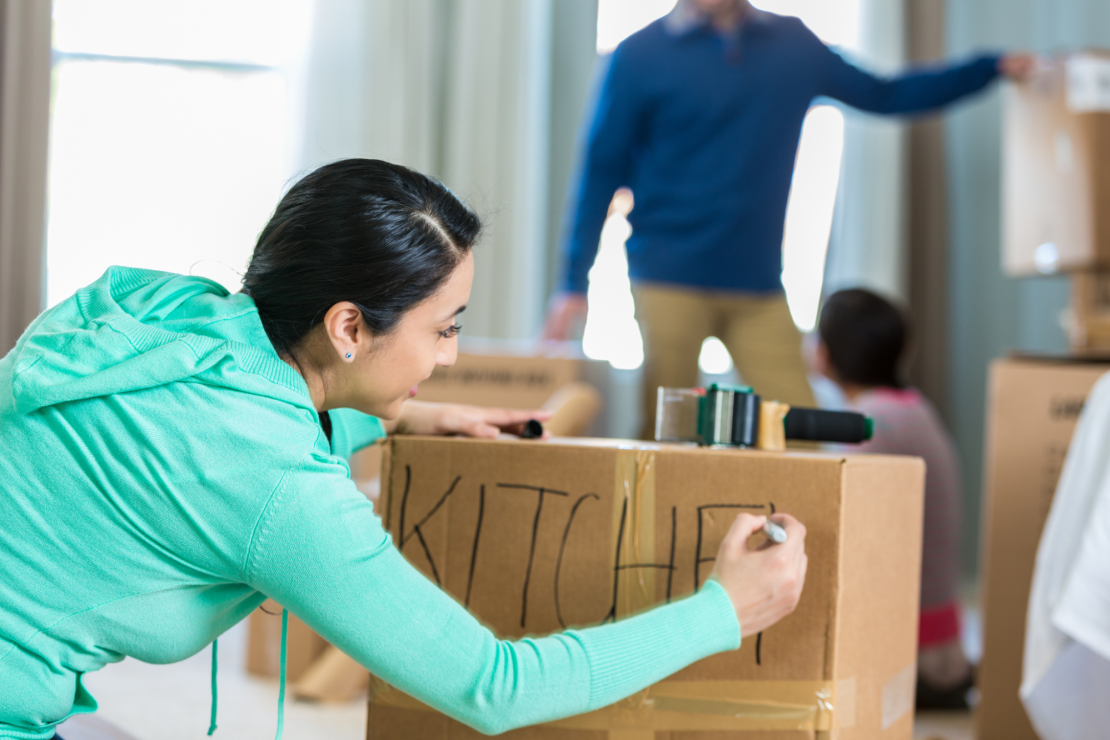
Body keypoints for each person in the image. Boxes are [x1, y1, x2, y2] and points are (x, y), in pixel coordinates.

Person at [0, 159, 808, 738]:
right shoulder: (284, 493)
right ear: (349, 327)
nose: (451, 355)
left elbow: (203, 431)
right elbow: (495, 687)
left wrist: (399, 416)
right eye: (444, 329)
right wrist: (723, 611)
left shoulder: (159, 306)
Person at [543, 0, 1035, 439]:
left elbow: (886, 94)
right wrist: (572, 283)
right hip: (669, 276)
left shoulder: (793, 47)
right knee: (667, 432)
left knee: (798, 428)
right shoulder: (639, 57)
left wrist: (988, 68)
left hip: (758, 285)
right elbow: (599, 171)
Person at [812, 288, 972, 709]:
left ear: (824, 355)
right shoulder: (913, 407)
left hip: (912, 656)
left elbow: (835, 525)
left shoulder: (870, 424)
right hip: (940, 642)